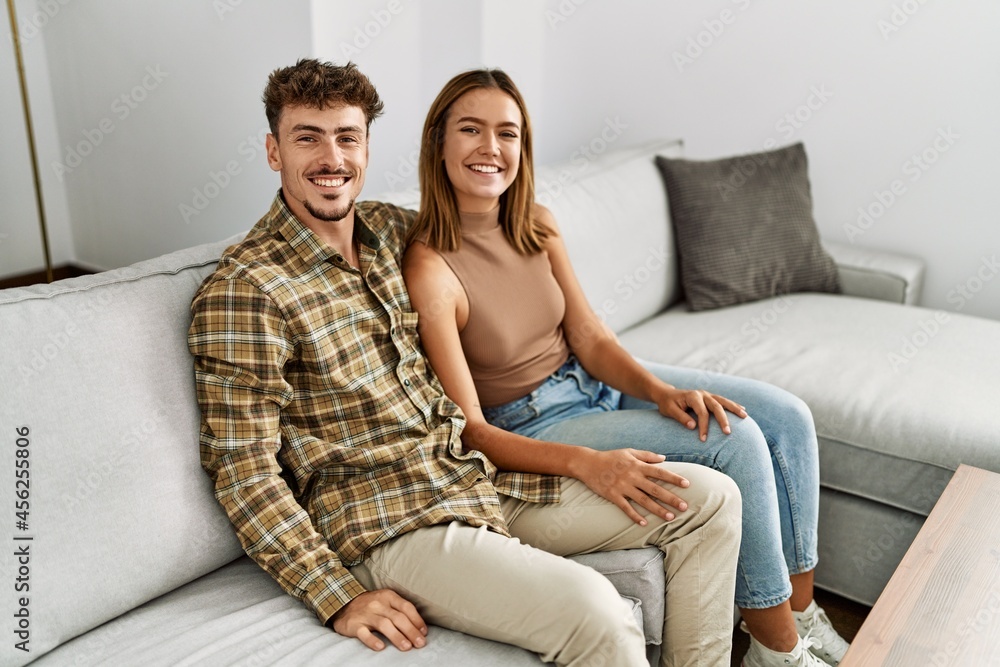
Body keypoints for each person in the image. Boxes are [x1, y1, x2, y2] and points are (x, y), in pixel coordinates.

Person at [188, 58, 742, 667]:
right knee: (598, 612)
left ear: (368, 147)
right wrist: (334, 593)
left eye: (347, 137)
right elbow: (244, 472)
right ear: (274, 151)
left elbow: (492, 223)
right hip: (390, 522)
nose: (331, 158)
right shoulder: (247, 289)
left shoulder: (390, 232)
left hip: (473, 478)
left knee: (709, 501)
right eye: (307, 138)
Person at [401, 68, 852, 667]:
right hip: (534, 422)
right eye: (470, 130)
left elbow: (587, 334)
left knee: (786, 416)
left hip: (592, 385)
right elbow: (474, 431)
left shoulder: (537, 221)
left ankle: (800, 616)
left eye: (507, 133)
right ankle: (778, 651)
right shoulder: (431, 269)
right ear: (439, 143)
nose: (491, 148)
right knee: (735, 441)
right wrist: (587, 465)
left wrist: (659, 391)